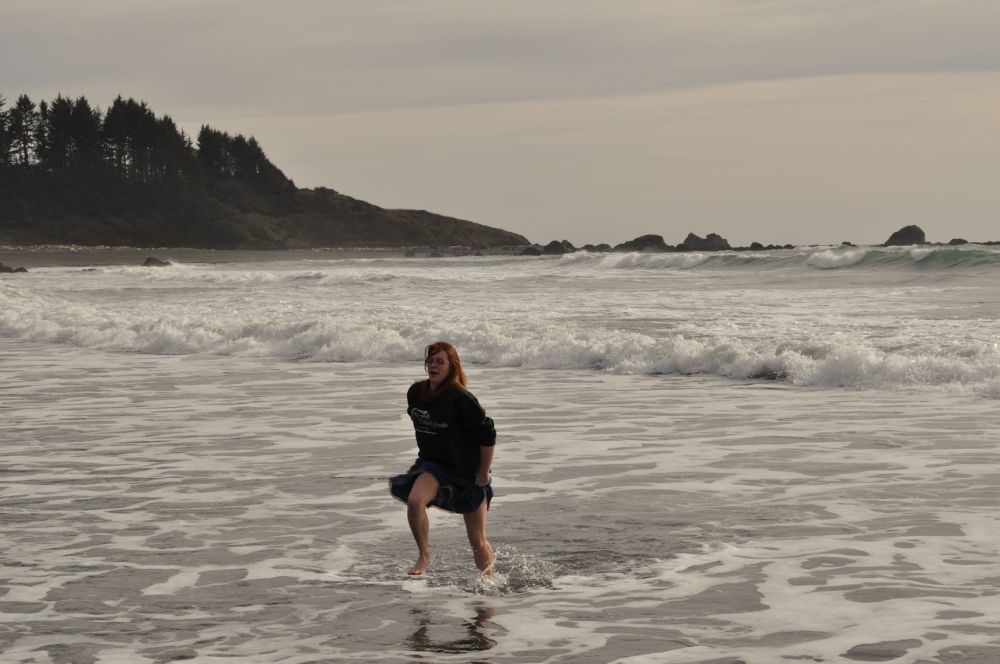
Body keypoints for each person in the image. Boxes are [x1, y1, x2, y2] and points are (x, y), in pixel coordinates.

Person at [389, 341, 497, 576]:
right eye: (431, 360)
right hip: (434, 465)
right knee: (416, 501)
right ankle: (424, 555)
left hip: (468, 470)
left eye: (441, 361)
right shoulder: (416, 393)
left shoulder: (461, 398)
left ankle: (489, 581)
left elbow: (488, 435)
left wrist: (482, 474)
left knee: (477, 540)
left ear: (452, 366)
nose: (434, 365)